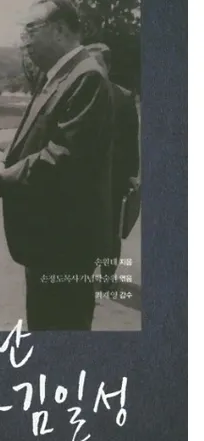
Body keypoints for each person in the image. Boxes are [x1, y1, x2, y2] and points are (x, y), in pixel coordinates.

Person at [0, 0, 115, 331]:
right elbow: (42, 138)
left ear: (59, 31)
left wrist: (3, 177)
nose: (24, 40)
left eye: (31, 30)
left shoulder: (87, 77)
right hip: (49, 242)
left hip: (65, 245)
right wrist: (9, 156)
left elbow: (65, 156)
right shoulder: (61, 75)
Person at [87, 43, 140, 290]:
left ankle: (107, 278)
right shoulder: (80, 94)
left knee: (111, 229)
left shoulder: (124, 97)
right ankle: (84, 275)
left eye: (97, 63)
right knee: (85, 224)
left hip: (114, 175)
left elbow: (131, 138)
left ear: (107, 66)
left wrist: (132, 174)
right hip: (84, 175)